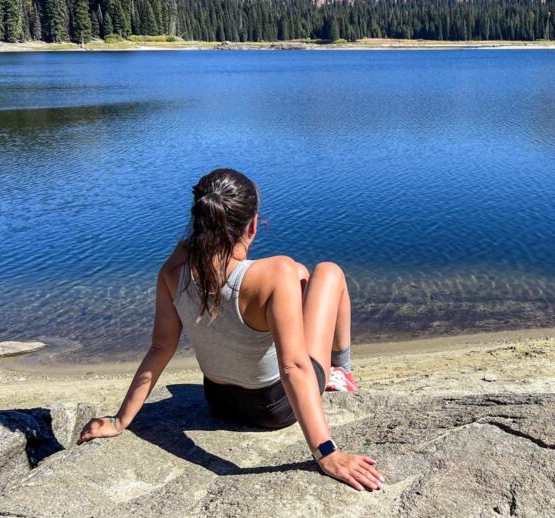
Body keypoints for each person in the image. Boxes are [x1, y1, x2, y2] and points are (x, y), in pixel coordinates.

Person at [77, 168, 383, 492]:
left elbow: (159, 349)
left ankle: (329, 362)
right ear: (252, 226)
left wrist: (120, 420)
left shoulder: (172, 269)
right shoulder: (275, 271)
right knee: (327, 272)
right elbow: (293, 367)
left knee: (298, 272)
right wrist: (326, 452)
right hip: (276, 409)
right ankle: (342, 372)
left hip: (219, 401)